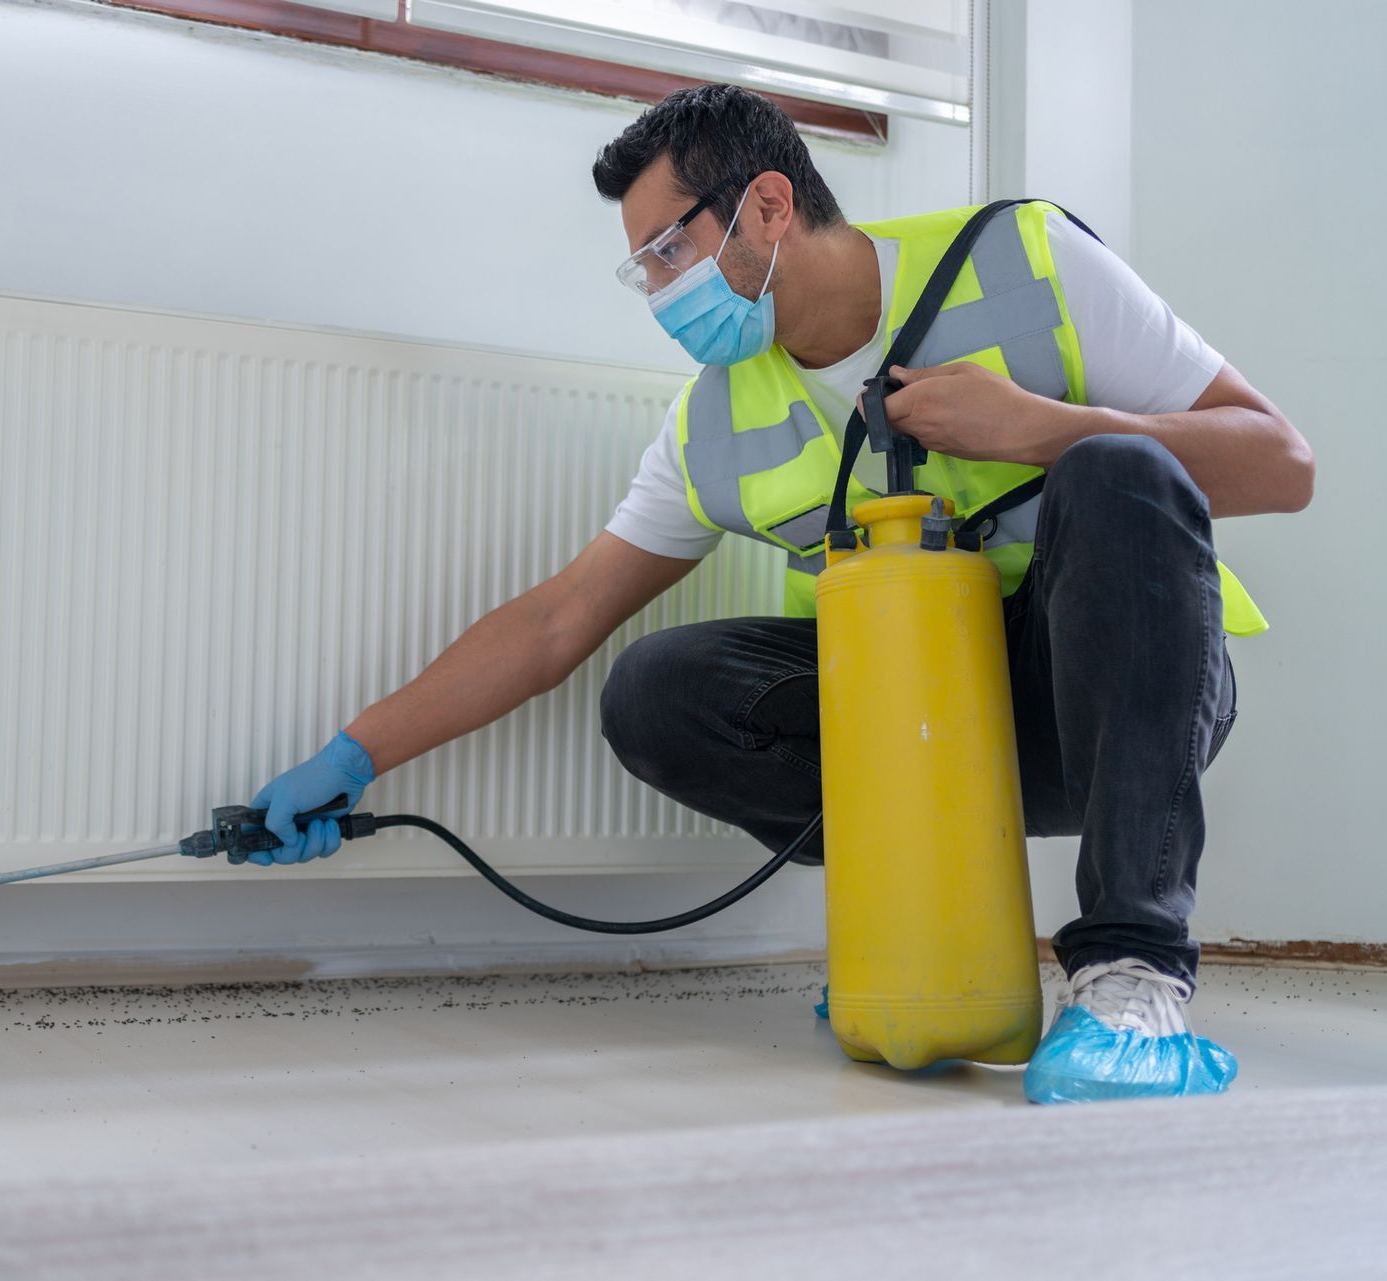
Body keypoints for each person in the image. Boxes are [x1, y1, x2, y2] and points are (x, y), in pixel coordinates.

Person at [245, 85, 1313, 1104]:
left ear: (767, 203)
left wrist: (1043, 427)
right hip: (918, 733)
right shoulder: (713, 422)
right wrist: (355, 755)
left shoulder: (1026, 261)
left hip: (1100, 707)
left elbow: (1281, 463)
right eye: (644, 272)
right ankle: (916, 930)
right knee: (657, 686)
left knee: (1114, 469)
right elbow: (558, 619)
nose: (664, 293)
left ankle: (1134, 984)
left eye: (670, 250)